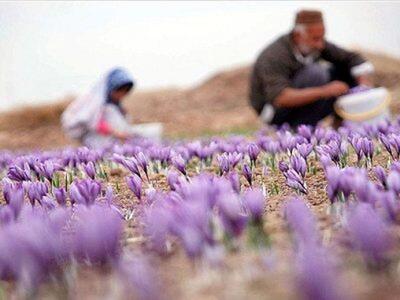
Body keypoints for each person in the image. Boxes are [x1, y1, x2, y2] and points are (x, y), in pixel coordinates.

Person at [249, 9, 374, 127]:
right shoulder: (275, 55)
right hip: (273, 112)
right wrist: (326, 91)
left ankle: (341, 125)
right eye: (315, 39)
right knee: (316, 73)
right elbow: (280, 98)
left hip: (300, 100)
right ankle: (297, 130)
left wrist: (363, 86)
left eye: (322, 37)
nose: (320, 45)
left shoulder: (314, 44)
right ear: (298, 35)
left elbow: (351, 58)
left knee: (345, 70)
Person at [61, 68, 163, 148]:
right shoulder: (96, 101)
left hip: (110, 140)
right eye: (120, 91)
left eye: (126, 92)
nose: (123, 95)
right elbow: (94, 122)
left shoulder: (113, 103)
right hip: (95, 140)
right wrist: (117, 133)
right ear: (112, 87)